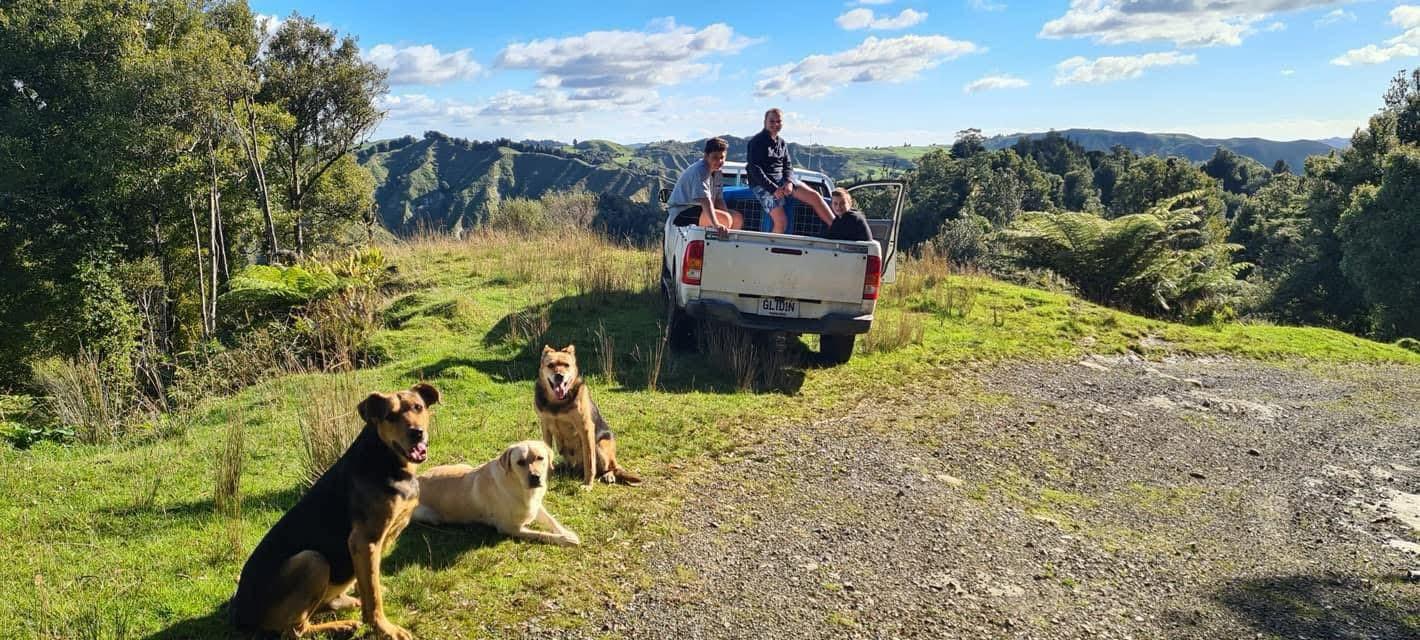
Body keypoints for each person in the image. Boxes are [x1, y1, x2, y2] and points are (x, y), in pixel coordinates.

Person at [746, 108, 835, 234]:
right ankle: (772, 249)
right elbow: (754, 169)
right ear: (765, 121)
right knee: (781, 222)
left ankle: (837, 229)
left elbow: (787, 165)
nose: (775, 124)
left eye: (778, 121)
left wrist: (789, 182)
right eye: (772, 121)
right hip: (762, 184)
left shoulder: (782, 143)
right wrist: (774, 189)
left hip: (782, 181)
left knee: (815, 197)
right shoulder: (756, 142)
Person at [667, 137, 743, 232]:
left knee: (737, 218)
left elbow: (719, 200)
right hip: (682, 211)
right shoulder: (700, 171)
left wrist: (728, 215)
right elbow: (705, 201)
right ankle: (715, 245)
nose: (719, 161)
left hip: (700, 209)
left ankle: (729, 245)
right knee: (725, 220)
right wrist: (716, 224)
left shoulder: (718, 173)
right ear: (706, 156)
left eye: (722, 157)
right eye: (715, 157)